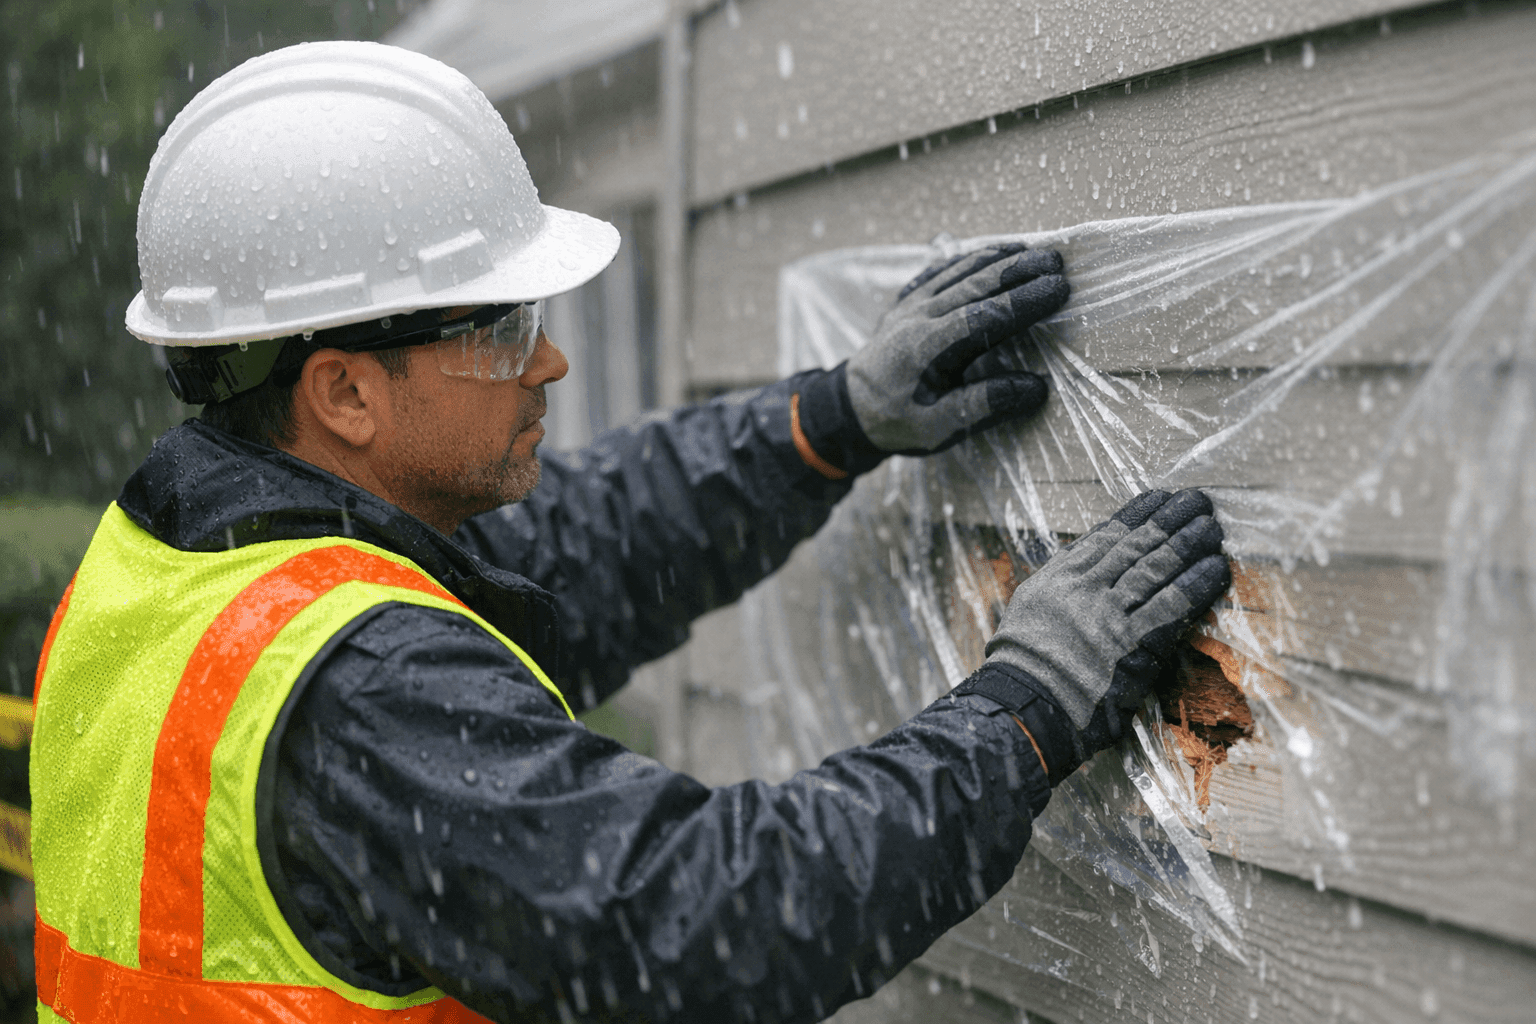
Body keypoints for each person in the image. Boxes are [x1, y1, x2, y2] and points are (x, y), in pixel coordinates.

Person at [29, 41, 1229, 1024]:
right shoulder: (358, 688)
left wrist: (830, 422)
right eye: (503, 332)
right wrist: (1024, 711)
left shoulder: (191, 562)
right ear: (344, 391)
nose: (549, 360)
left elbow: (584, 547)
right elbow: (704, 919)